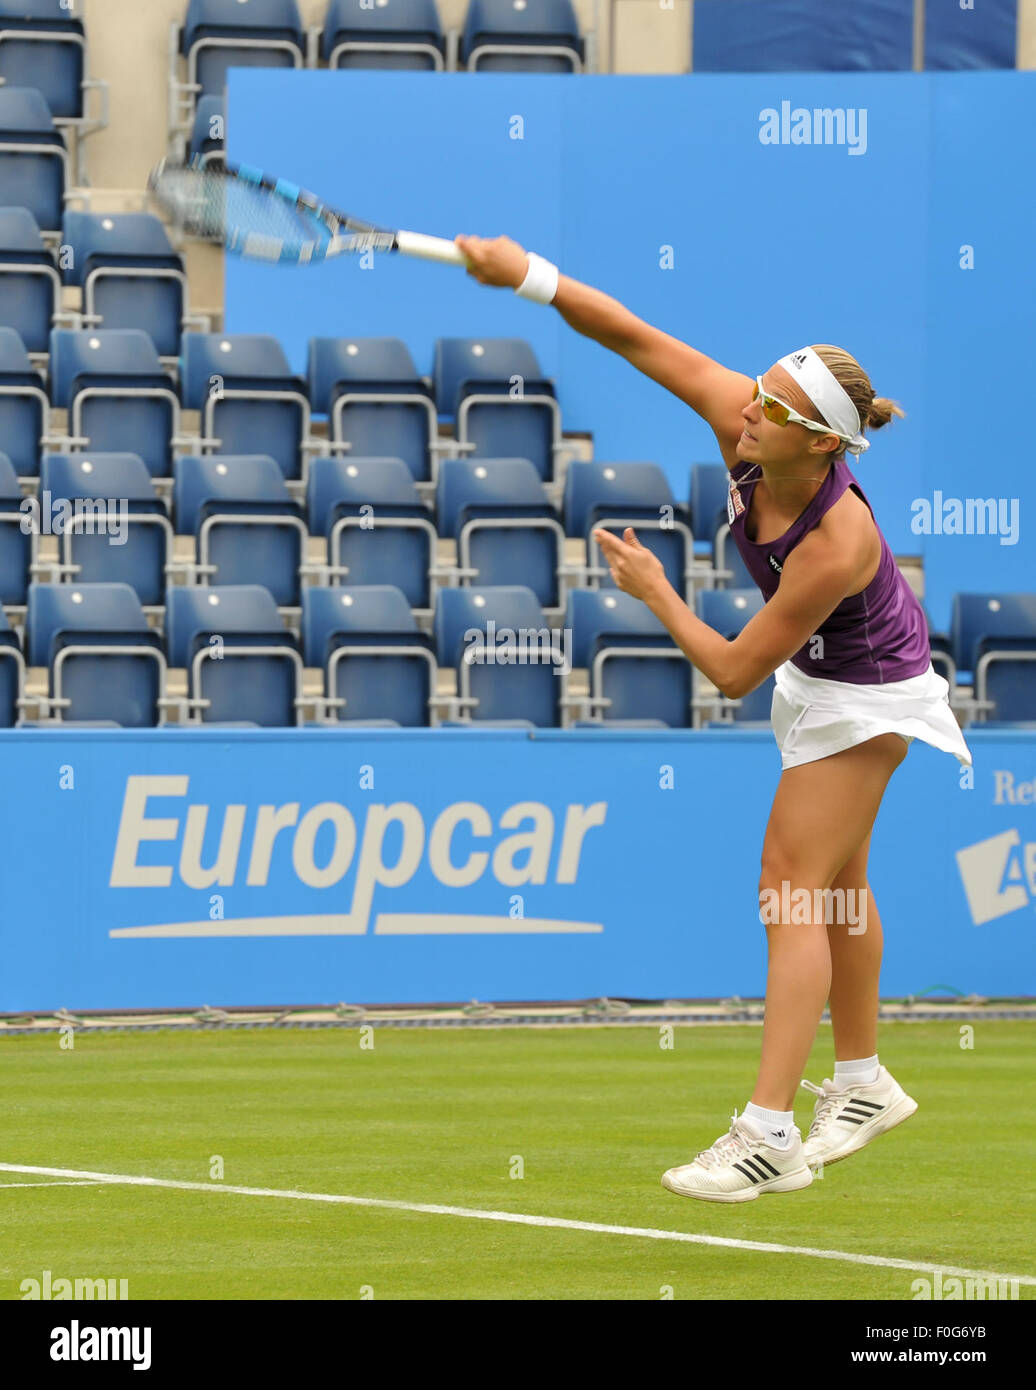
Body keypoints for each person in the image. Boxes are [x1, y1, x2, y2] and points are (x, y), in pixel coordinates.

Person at [455, 233, 973, 1204]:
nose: (750, 408)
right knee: (836, 888)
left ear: (821, 442)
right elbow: (629, 334)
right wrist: (528, 275)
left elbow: (734, 671)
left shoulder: (837, 541)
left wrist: (655, 591)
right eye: (760, 389)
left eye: (774, 406)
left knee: (789, 889)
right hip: (829, 682)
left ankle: (766, 1132)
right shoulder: (744, 419)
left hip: (867, 697)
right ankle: (860, 1081)